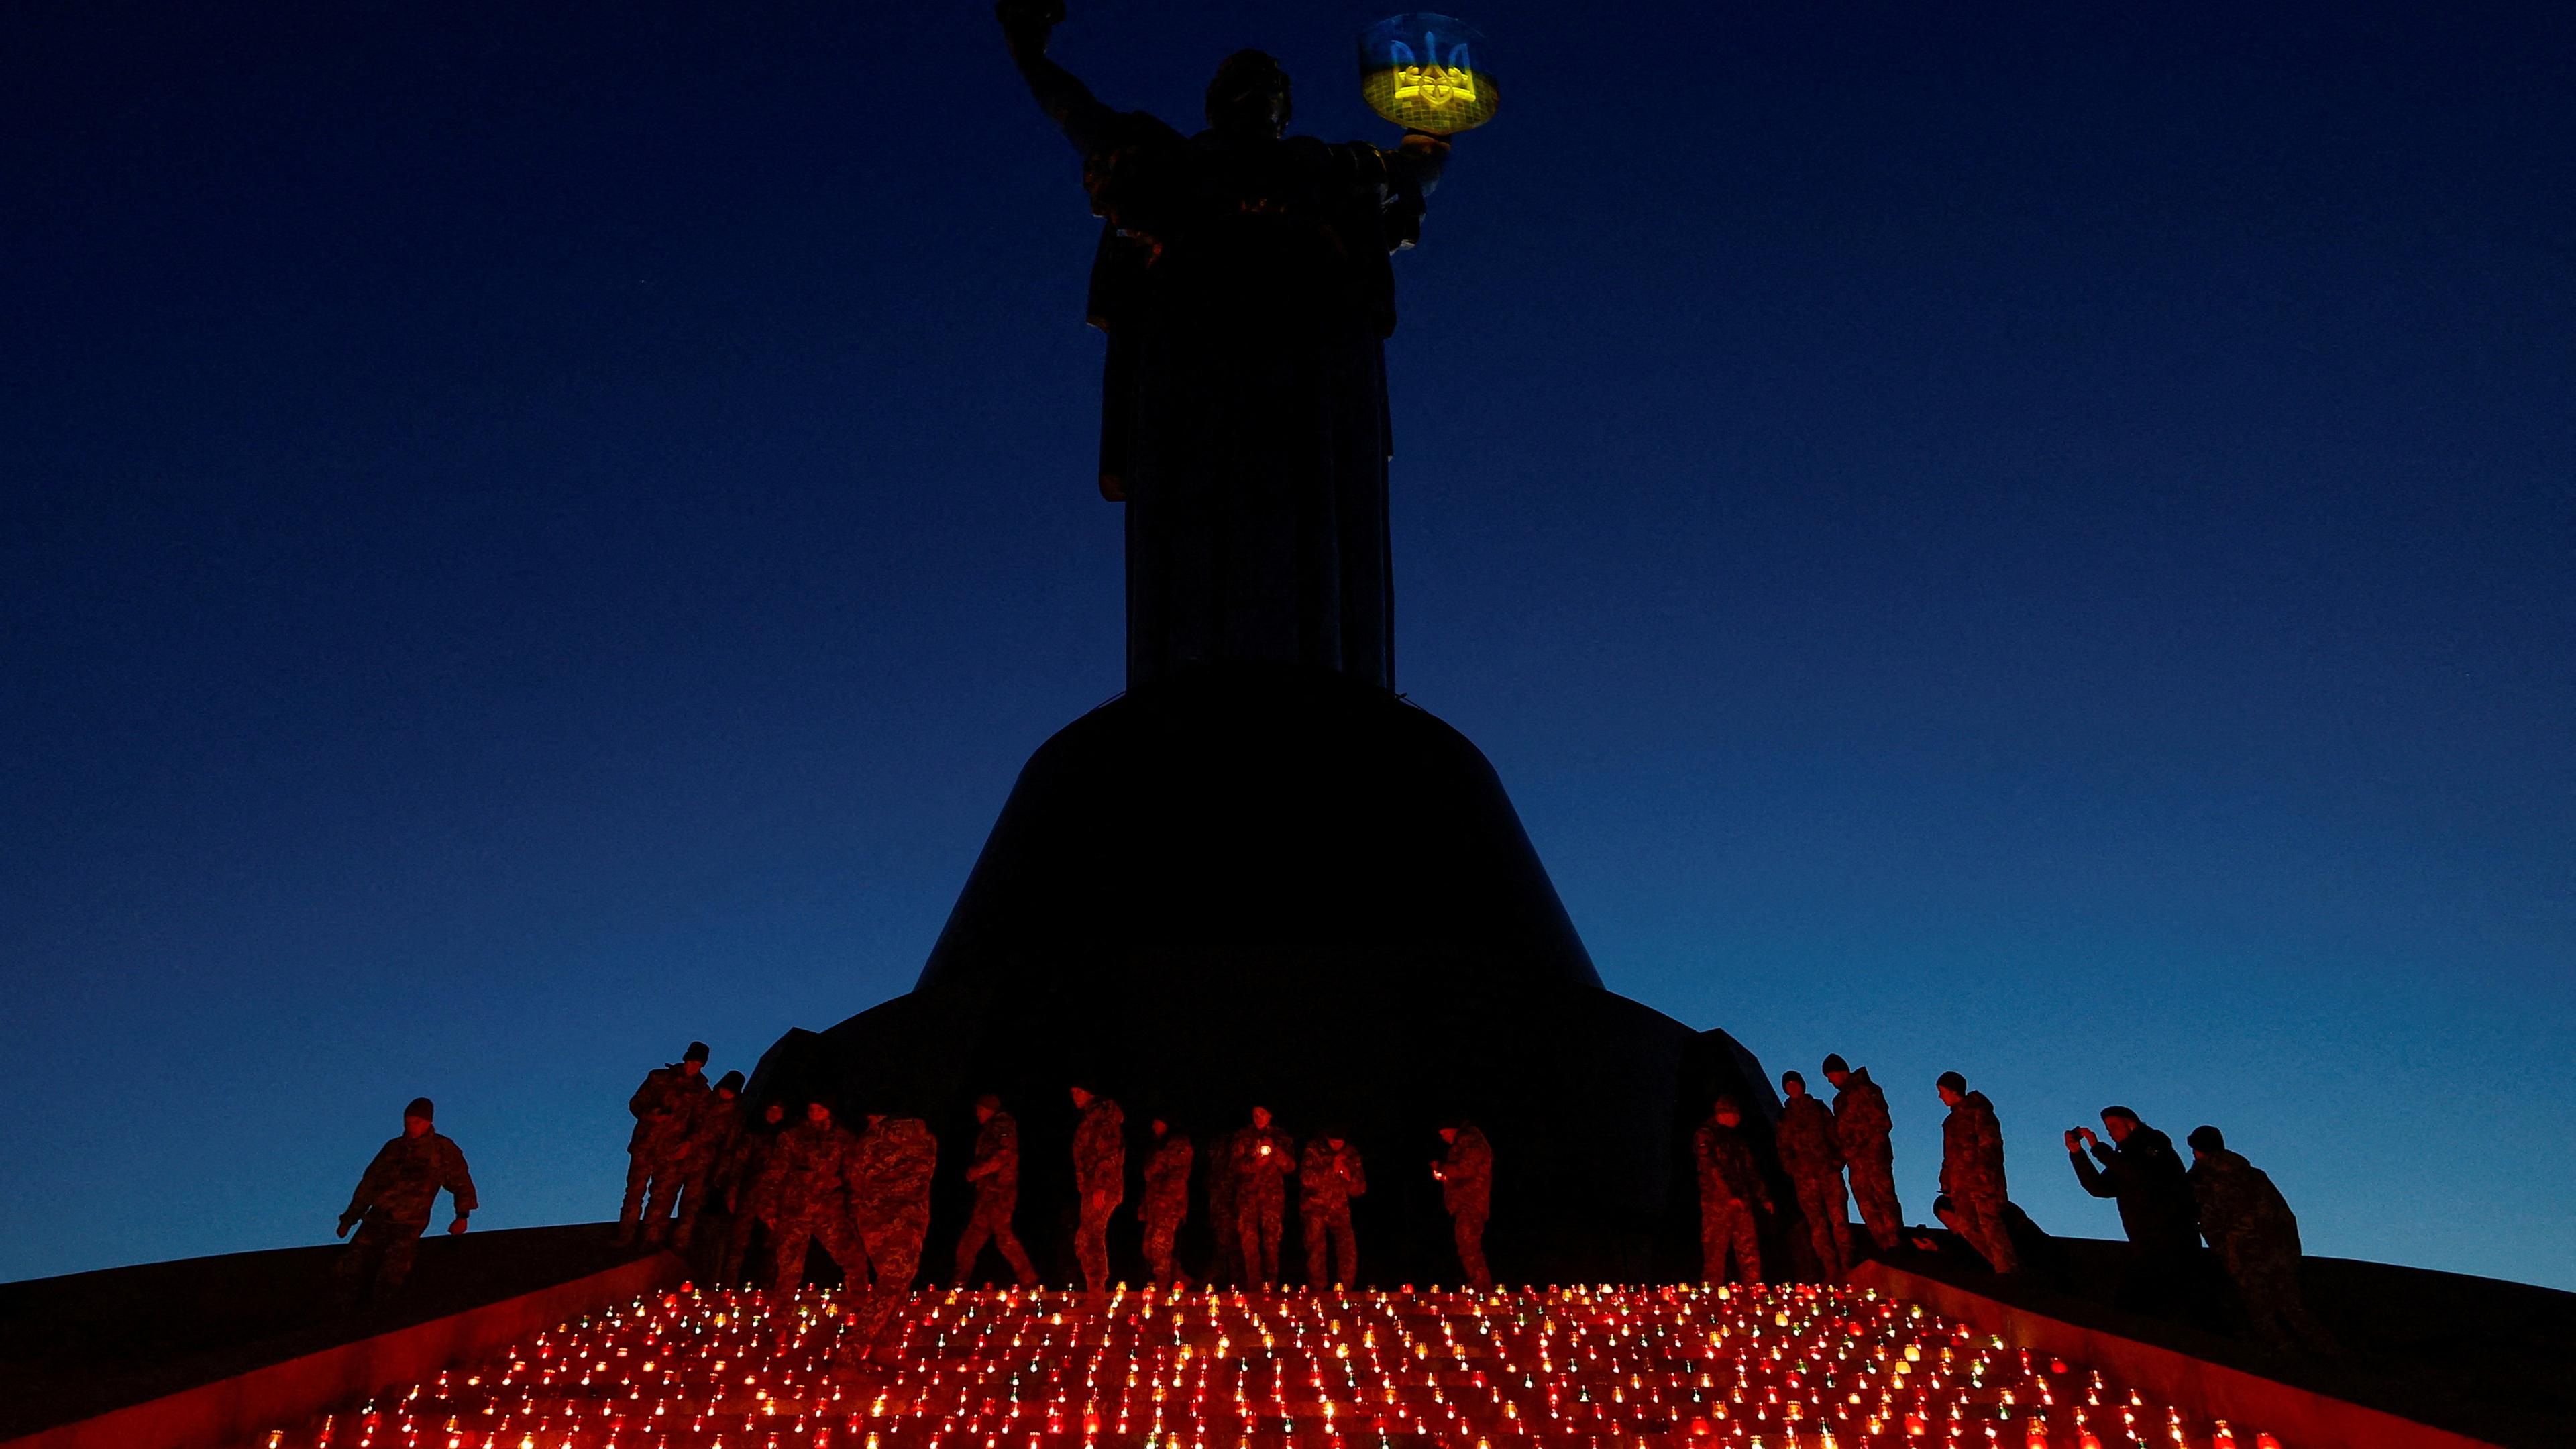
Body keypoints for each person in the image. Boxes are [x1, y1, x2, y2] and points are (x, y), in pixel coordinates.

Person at [995, 0, 1450, 691]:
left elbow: (1414, 168)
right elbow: (1078, 115)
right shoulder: (1168, 158)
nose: (1255, 96)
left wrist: (1435, 116)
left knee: (1318, 498)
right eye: (1240, 84)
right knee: (1197, 495)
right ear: (1215, 104)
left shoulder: (1329, 166)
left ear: (1284, 108)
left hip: (1312, 348)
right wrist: (1030, 54)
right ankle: (1191, 672)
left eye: (1268, 85)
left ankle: (1321, 665)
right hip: (1194, 340)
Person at [2187, 1126, 2337, 1351]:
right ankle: (2331, 1355)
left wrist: (2224, 1251)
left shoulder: (2203, 1179)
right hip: (2280, 1251)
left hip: (2244, 1255)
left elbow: (2209, 1218)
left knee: (2260, 1314)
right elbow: (2283, 1214)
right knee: (2293, 1308)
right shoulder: (2253, 1174)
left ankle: (2289, 1366)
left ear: (2197, 1150)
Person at [333, 1097, 476, 1310]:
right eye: (408, 1122)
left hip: (410, 1222)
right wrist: (349, 1219)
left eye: (417, 1122)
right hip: (378, 1217)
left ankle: (381, 1317)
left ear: (428, 1122)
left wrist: (462, 1216)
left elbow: (461, 1182)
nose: (411, 1127)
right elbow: (369, 1184)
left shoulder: (441, 1149)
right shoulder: (393, 1148)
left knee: (392, 1272)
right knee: (350, 1266)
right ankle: (339, 1312)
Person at [2066, 1106, 2202, 1318]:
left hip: (2173, 1241)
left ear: (2131, 1124)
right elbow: (2099, 1188)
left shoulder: (2155, 1146)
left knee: (2176, 1304)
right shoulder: (2122, 1160)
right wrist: (2078, 1154)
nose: (2109, 1132)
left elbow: (2140, 1175)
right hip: (2144, 1243)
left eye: (2113, 1126)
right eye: (2107, 1128)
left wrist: (2098, 1148)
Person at [849, 1110, 938, 1345]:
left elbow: (857, 1178)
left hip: (873, 1219)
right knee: (895, 1284)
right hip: (908, 1220)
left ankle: (867, 1350)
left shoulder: (870, 1141)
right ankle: (866, 1350)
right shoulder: (925, 1139)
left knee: (890, 1284)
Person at [769, 1099, 866, 1297]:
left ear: (830, 1111)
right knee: (789, 1270)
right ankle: (779, 1321)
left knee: (854, 1259)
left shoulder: (843, 1139)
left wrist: (855, 1211)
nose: (815, 1114)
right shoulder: (792, 1136)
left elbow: (851, 1178)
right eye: (812, 1110)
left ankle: (861, 1310)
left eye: (820, 1110)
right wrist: (768, 1207)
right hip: (795, 1210)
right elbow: (775, 1173)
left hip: (830, 1211)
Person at [620, 1041, 711, 1246]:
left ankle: (649, 1243)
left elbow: (700, 1125)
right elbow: (636, 1103)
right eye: (691, 1061)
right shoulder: (659, 1078)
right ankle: (625, 1237)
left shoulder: (703, 1093)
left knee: (661, 1199)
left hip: (671, 1153)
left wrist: (688, 1143)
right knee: (634, 1194)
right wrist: (651, 1115)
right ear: (685, 1059)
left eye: (698, 1064)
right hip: (645, 1145)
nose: (693, 1067)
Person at [953, 1093, 1041, 1287]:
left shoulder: (1002, 1126)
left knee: (1002, 1237)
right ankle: (959, 1283)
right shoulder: (991, 1129)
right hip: (988, 1193)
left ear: (988, 1109)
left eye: (979, 1109)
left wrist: (977, 1171)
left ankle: (1030, 1282)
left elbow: (1004, 1156)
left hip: (1000, 1192)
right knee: (974, 1238)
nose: (977, 1114)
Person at [1936, 1071, 2017, 1275]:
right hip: (1960, 1184)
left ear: (1954, 1091)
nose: (1940, 1097)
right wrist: (1946, 1180)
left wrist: (1986, 1173)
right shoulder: (1951, 1122)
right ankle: (1999, 1265)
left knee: (1990, 1224)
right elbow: (1950, 1154)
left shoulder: (1978, 1110)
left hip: (1982, 1181)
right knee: (1967, 1226)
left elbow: (1990, 1143)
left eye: (1942, 1092)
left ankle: (2008, 1270)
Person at [1775, 1071, 1854, 1279]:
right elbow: (1783, 1148)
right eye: (1788, 1086)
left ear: (1802, 1086)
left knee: (1839, 1220)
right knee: (1817, 1225)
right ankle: (1830, 1269)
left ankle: (1847, 1264)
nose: (1793, 1089)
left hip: (1828, 1173)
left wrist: (1837, 1162)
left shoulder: (1818, 1108)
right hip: (1805, 1179)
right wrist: (1793, 1169)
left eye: (1795, 1084)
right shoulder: (1785, 1117)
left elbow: (1834, 1135)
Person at [1822, 1054, 1903, 1252]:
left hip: (1873, 1157)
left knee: (1884, 1199)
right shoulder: (1840, 1101)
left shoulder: (1866, 1090)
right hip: (1855, 1163)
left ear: (1839, 1072)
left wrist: (1859, 1146)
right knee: (1866, 1205)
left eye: (1830, 1076)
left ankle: (1897, 1244)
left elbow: (1881, 1122)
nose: (1830, 1081)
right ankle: (1884, 1246)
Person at [1691, 1096, 1772, 1285]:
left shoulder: (1736, 1140)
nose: (1739, 1119)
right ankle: (1711, 1299)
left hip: (1742, 1202)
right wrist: (1728, 1196)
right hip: (1717, 1204)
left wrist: (1764, 1198)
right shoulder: (1706, 1135)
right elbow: (1709, 1169)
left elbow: (1750, 1171)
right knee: (1715, 1253)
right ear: (1726, 1114)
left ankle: (1754, 1295)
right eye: (1736, 1115)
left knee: (1749, 1252)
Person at [669, 1070, 745, 1252]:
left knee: (690, 1207)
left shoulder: (734, 1116)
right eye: (725, 1089)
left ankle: (679, 1245)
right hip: (680, 1158)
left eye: (731, 1091)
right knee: (664, 1199)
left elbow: (728, 1147)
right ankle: (654, 1240)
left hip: (704, 1165)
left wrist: (719, 1175)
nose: (726, 1093)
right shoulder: (703, 1101)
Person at [1923, 1193, 2067, 1288]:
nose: (1953, 1230)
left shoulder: (1994, 1219)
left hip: (2042, 1276)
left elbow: (1976, 1260)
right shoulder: (1992, 1216)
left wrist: (1938, 1250)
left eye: (1949, 1223)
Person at [717, 1099, 790, 1286]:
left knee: (772, 1245)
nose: (774, 1114)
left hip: (775, 1198)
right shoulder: (752, 1136)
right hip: (749, 1194)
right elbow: (738, 1166)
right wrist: (732, 1193)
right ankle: (729, 1286)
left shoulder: (786, 1140)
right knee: (738, 1243)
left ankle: (766, 1289)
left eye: (778, 1110)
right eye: (771, 1109)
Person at [1231, 1104, 1297, 1287]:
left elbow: (1291, 1166)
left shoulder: (1281, 1137)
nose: (1258, 1117)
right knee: (1249, 1242)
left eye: (1262, 1113)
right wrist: (1255, 1164)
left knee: (1271, 1241)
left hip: (1272, 1198)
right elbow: (1234, 1166)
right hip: (1248, 1197)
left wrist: (1275, 1151)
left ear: (1270, 1115)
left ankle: (1271, 1284)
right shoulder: (1243, 1137)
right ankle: (1254, 1284)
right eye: (1255, 1114)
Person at [1069, 1084, 1126, 1293]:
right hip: (1092, 1188)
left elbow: (1110, 1151)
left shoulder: (1103, 1117)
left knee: (1089, 1238)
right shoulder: (1091, 1118)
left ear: (1090, 1091)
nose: (1074, 1096)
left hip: (1102, 1188)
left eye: (1078, 1091)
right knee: (1085, 1239)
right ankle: (1095, 1292)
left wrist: (1101, 1185)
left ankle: (1097, 1296)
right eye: (1072, 1092)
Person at [1298, 1130, 1366, 1287]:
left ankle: (1345, 1289)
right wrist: (1332, 1168)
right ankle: (1319, 1292)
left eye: (1340, 1141)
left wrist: (1348, 1176)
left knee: (1348, 1250)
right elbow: (1307, 1180)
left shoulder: (1351, 1154)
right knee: (1316, 1250)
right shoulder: (1314, 1150)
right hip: (1315, 1207)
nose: (1337, 1144)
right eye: (1333, 1141)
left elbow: (1360, 1189)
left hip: (1339, 1209)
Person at [1432, 1120, 1494, 1291]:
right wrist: (1444, 1177)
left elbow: (1467, 1169)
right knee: (1466, 1244)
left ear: (1453, 1129)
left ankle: (1482, 1287)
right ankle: (1478, 1283)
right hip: (1464, 1202)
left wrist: (1443, 1167)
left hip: (1471, 1202)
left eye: (1443, 1133)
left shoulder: (1472, 1143)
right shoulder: (1466, 1144)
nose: (1442, 1137)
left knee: (1469, 1243)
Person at [1141, 1116, 1194, 1287]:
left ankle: (1162, 1286)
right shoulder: (1157, 1146)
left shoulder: (1178, 1145)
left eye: (1158, 1121)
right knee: (1149, 1248)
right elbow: (1151, 1178)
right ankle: (1181, 1278)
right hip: (1154, 1204)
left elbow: (1179, 1175)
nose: (1154, 1125)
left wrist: (1166, 1198)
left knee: (1160, 1246)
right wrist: (1146, 1204)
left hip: (1170, 1204)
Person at [1202, 1124, 1242, 1286]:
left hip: (1230, 1201)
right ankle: (1225, 1279)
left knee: (1230, 1242)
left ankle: (1236, 1281)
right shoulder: (1217, 1146)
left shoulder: (1233, 1145)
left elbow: (1234, 1173)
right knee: (1221, 1239)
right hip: (1218, 1201)